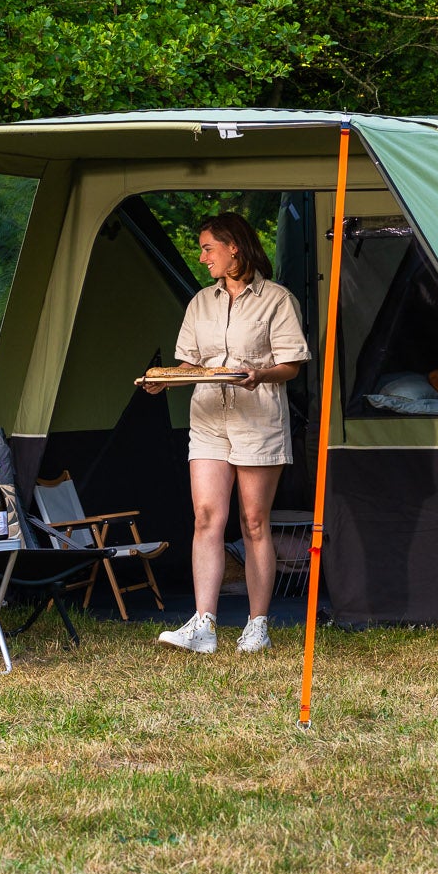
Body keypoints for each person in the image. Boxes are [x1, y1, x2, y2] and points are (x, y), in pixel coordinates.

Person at [145, 213, 309, 654]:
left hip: (257, 421)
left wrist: (258, 374)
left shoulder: (276, 299)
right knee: (206, 518)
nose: (202, 258)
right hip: (209, 421)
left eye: (207, 249)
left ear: (234, 247)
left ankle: (257, 625)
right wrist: (164, 379)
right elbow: (191, 365)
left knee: (254, 523)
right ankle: (204, 624)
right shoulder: (201, 302)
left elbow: (291, 364)